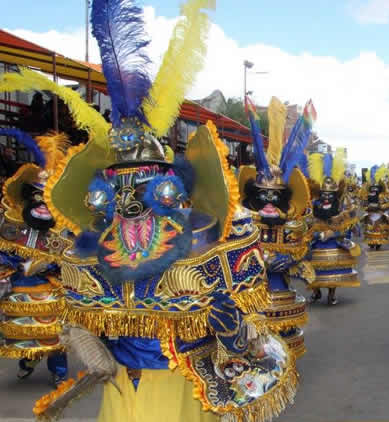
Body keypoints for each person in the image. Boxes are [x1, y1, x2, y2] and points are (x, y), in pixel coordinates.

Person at [1, 1, 297, 421]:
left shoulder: (211, 239)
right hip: (123, 384)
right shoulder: (90, 249)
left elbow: (251, 334)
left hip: (182, 387)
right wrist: (84, 336)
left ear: (170, 186)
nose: (131, 201)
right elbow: (84, 316)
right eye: (118, 188)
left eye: (143, 186)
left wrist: (231, 331)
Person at [238, 96, 315, 358]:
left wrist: (286, 258)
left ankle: (284, 361)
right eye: (263, 196)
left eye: (275, 197)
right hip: (250, 287)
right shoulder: (242, 224)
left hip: (278, 283)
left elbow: (301, 247)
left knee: (283, 329)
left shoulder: (290, 225)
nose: (269, 203)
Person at [0, 129, 70, 386]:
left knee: (55, 335)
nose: (41, 205)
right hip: (20, 290)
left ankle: (59, 370)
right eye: (37, 197)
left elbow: (70, 259)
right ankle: (28, 361)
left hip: (50, 292)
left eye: (47, 201)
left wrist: (48, 264)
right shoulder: (12, 225)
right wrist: (10, 269)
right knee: (25, 332)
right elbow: (4, 252)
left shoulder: (62, 230)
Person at [306, 149, 361, 305]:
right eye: (324, 194)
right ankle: (316, 292)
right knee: (310, 271)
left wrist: (334, 233)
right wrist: (317, 235)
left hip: (334, 242)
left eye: (330, 194)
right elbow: (306, 225)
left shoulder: (341, 206)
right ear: (320, 193)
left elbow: (347, 225)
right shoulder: (313, 206)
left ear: (335, 194)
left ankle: (331, 294)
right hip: (316, 243)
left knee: (333, 272)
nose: (327, 197)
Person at [361, 165, 389, 250]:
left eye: (376, 189)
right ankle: (371, 243)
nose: (374, 191)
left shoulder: (383, 196)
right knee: (369, 229)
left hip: (380, 215)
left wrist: (381, 207)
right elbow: (363, 203)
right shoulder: (367, 195)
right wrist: (368, 208)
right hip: (370, 215)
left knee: (379, 229)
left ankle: (378, 244)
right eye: (373, 189)